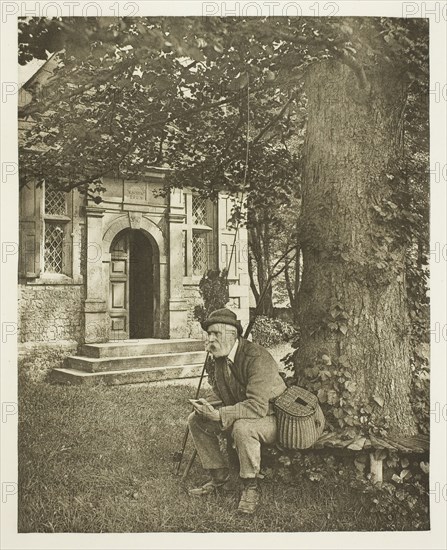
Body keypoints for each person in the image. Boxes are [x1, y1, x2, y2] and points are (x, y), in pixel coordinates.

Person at [187, 308, 287, 514]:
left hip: (272, 416)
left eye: (217, 334)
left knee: (242, 428)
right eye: (209, 334)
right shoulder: (219, 358)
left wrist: (220, 414)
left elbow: (258, 406)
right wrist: (207, 405)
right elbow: (224, 395)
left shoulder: (257, 357)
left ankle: (251, 487)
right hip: (246, 411)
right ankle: (219, 478)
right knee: (196, 420)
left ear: (233, 335)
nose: (211, 339)